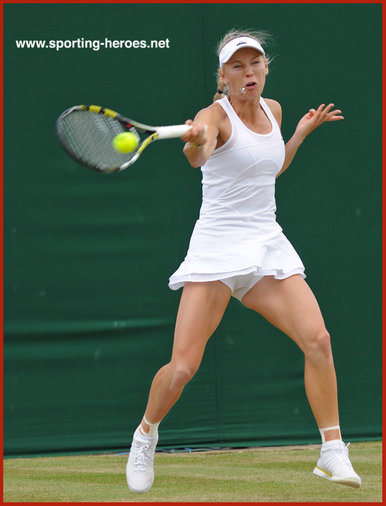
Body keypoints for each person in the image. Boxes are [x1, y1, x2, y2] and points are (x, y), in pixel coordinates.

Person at [126, 29, 361, 493]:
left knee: (318, 339)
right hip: (217, 247)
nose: (248, 71)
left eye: (254, 63)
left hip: (266, 242)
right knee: (182, 368)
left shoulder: (273, 111)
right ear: (223, 76)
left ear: (266, 68)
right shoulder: (212, 116)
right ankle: (145, 435)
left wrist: (297, 135)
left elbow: (269, 168)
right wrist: (196, 141)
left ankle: (332, 450)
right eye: (237, 65)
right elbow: (199, 156)